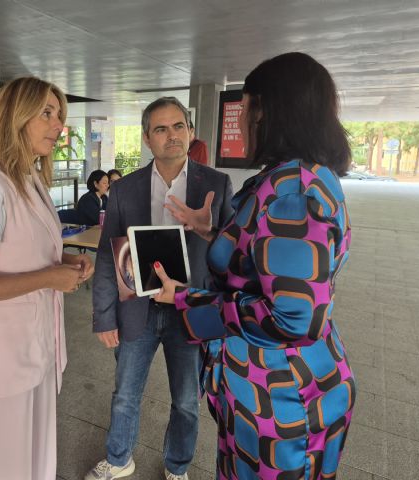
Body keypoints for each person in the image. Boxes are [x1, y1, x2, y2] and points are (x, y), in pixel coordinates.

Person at [153, 52, 356, 479]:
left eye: (245, 108)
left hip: (282, 400)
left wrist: (189, 300)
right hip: (269, 390)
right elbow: (266, 259)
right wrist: (214, 233)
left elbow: (295, 316)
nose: (241, 121)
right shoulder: (300, 176)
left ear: (267, 110)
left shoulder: (293, 192)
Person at [0, 76, 94, 480]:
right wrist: (50, 277)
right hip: (8, 351)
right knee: (8, 464)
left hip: (38, 342)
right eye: (47, 113)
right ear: (16, 117)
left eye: (60, 114)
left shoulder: (31, 180)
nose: (58, 124)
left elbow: (26, 248)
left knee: (37, 454)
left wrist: (66, 260)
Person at [86, 96, 233, 480]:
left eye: (179, 126)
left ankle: (177, 466)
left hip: (190, 308)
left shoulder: (215, 185)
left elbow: (236, 253)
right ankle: (119, 459)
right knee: (125, 395)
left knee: (186, 400)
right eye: (161, 129)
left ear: (190, 131)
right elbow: (107, 256)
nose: (172, 136)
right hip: (139, 307)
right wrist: (104, 316)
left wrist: (211, 230)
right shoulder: (124, 190)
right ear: (147, 138)